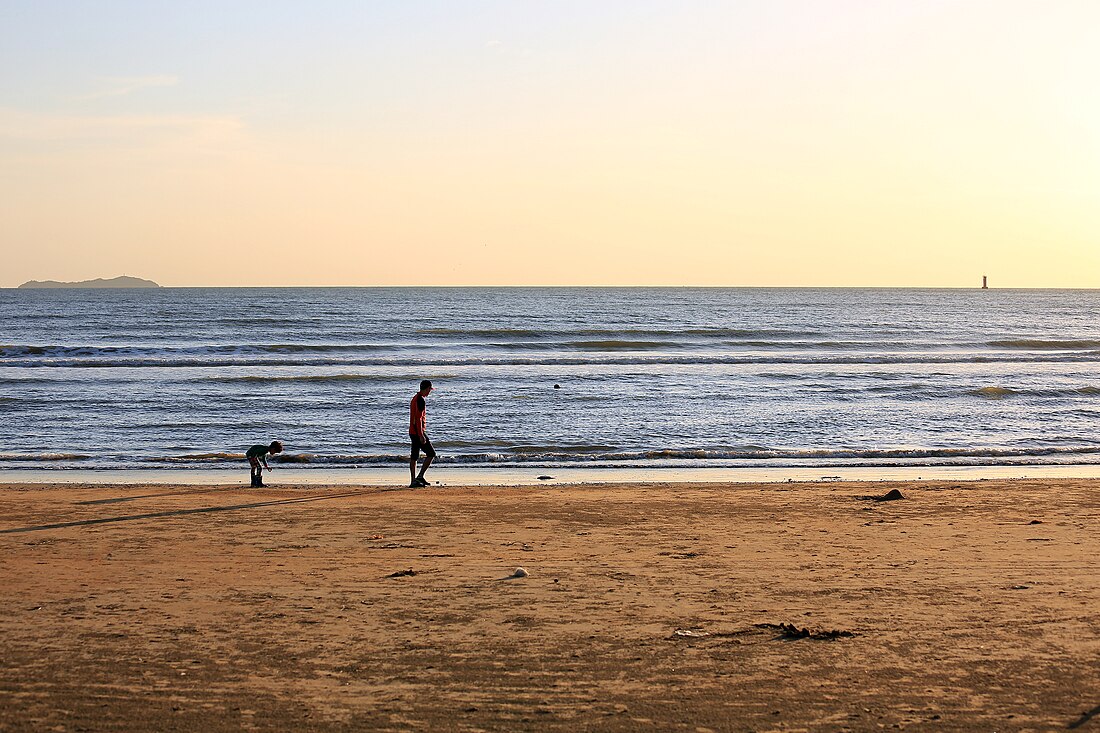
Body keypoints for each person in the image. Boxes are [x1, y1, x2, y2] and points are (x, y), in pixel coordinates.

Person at [409, 380, 436, 487]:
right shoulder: (420, 400)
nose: (430, 392)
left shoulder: (415, 398)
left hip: (413, 431)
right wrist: (421, 435)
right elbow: (418, 419)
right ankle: (417, 478)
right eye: (429, 389)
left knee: (414, 456)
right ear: (426, 388)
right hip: (417, 432)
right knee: (431, 454)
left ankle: (415, 479)